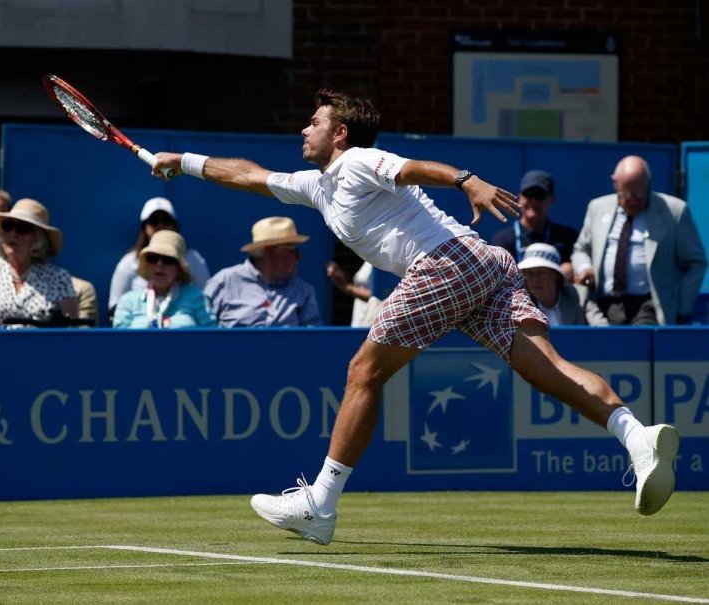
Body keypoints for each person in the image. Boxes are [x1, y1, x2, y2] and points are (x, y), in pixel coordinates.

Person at [151, 89, 680, 545]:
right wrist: (182, 159)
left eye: (314, 122)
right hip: (484, 264)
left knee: (364, 371)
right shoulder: (318, 187)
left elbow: (410, 168)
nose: (303, 129)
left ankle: (321, 504)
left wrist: (465, 178)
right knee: (544, 364)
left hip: (445, 264)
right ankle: (637, 436)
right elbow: (248, 175)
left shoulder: (357, 161)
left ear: (340, 134)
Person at [572, 156, 707, 325]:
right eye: (626, 194)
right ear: (615, 183)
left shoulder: (674, 211)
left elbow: (696, 263)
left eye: (639, 194)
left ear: (648, 184)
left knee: (640, 347)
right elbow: (581, 249)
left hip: (650, 304)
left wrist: (682, 307)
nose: (633, 200)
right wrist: (585, 268)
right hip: (604, 303)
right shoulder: (598, 208)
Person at [0, 198, 78, 328]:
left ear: (38, 238)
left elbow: (70, 329)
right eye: (7, 226)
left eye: (22, 228)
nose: (13, 233)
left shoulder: (59, 278)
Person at [204, 216, 321, 327]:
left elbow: (313, 339)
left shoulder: (303, 291)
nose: (299, 257)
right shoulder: (224, 282)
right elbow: (203, 330)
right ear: (271, 251)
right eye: (293, 251)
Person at [108, 197, 210, 318]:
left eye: (165, 221)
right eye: (154, 221)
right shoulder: (129, 262)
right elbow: (116, 307)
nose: (160, 225)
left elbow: (206, 298)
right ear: (144, 226)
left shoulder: (193, 258)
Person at [112, 230, 215, 329]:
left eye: (168, 260)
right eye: (153, 258)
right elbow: (119, 342)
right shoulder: (128, 301)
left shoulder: (197, 298)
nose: (159, 265)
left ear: (179, 268)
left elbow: (212, 338)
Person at [492, 170, 579, 281]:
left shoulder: (567, 237)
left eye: (539, 195)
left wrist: (571, 269)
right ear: (519, 198)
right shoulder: (502, 240)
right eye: (528, 195)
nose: (533, 201)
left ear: (552, 199)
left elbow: (581, 269)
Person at [517, 243, 608, 326]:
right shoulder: (519, 305)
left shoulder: (579, 295)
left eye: (541, 272)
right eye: (529, 273)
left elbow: (602, 330)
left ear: (556, 275)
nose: (535, 279)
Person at [325, 260, 380, 327]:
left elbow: (379, 297)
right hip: (360, 321)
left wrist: (345, 286)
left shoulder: (384, 261)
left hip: (371, 325)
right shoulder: (370, 258)